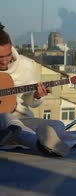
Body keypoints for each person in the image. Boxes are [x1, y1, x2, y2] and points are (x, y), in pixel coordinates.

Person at [0, 23, 70, 157]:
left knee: (58, 125)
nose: (4, 61)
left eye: (7, 55)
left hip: (22, 119)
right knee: (5, 116)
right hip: (4, 119)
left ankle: (15, 135)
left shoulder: (25, 65)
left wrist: (37, 96)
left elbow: (31, 101)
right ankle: (38, 144)